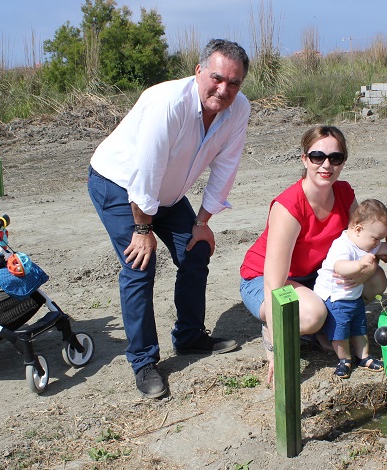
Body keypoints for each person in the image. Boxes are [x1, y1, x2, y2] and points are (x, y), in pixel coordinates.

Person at [87, 39, 250, 398]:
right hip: (118, 183)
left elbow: (225, 166)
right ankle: (144, 362)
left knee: (195, 250)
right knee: (140, 264)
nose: (224, 90)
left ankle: (190, 336)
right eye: (217, 78)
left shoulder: (238, 110)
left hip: (168, 193)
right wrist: (142, 229)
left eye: (234, 83)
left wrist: (202, 221)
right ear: (199, 71)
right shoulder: (167, 102)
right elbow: (147, 170)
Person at [239, 125, 387, 385]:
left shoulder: (344, 193)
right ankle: (279, 327)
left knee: (375, 280)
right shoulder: (289, 206)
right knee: (310, 315)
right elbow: (273, 283)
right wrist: (276, 349)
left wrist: (379, 259)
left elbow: (359, 242)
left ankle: (322, 330)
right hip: (265, 279)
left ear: (343, 162)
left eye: (335, 158)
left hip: (313, 276)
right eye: (317, 156)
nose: (326, 165)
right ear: (304, 159)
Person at [313, 198, 387, 378]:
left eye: (379, 239)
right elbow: (339, 266)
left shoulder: (367, 242)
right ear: (358, 229)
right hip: (335, 299)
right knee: (340, 332)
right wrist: (358, 265)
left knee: (360, 327)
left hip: (353, 297)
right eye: (375, 238)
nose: (377, 243)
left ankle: (364, 356)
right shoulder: (343, 245)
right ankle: (345, 359)